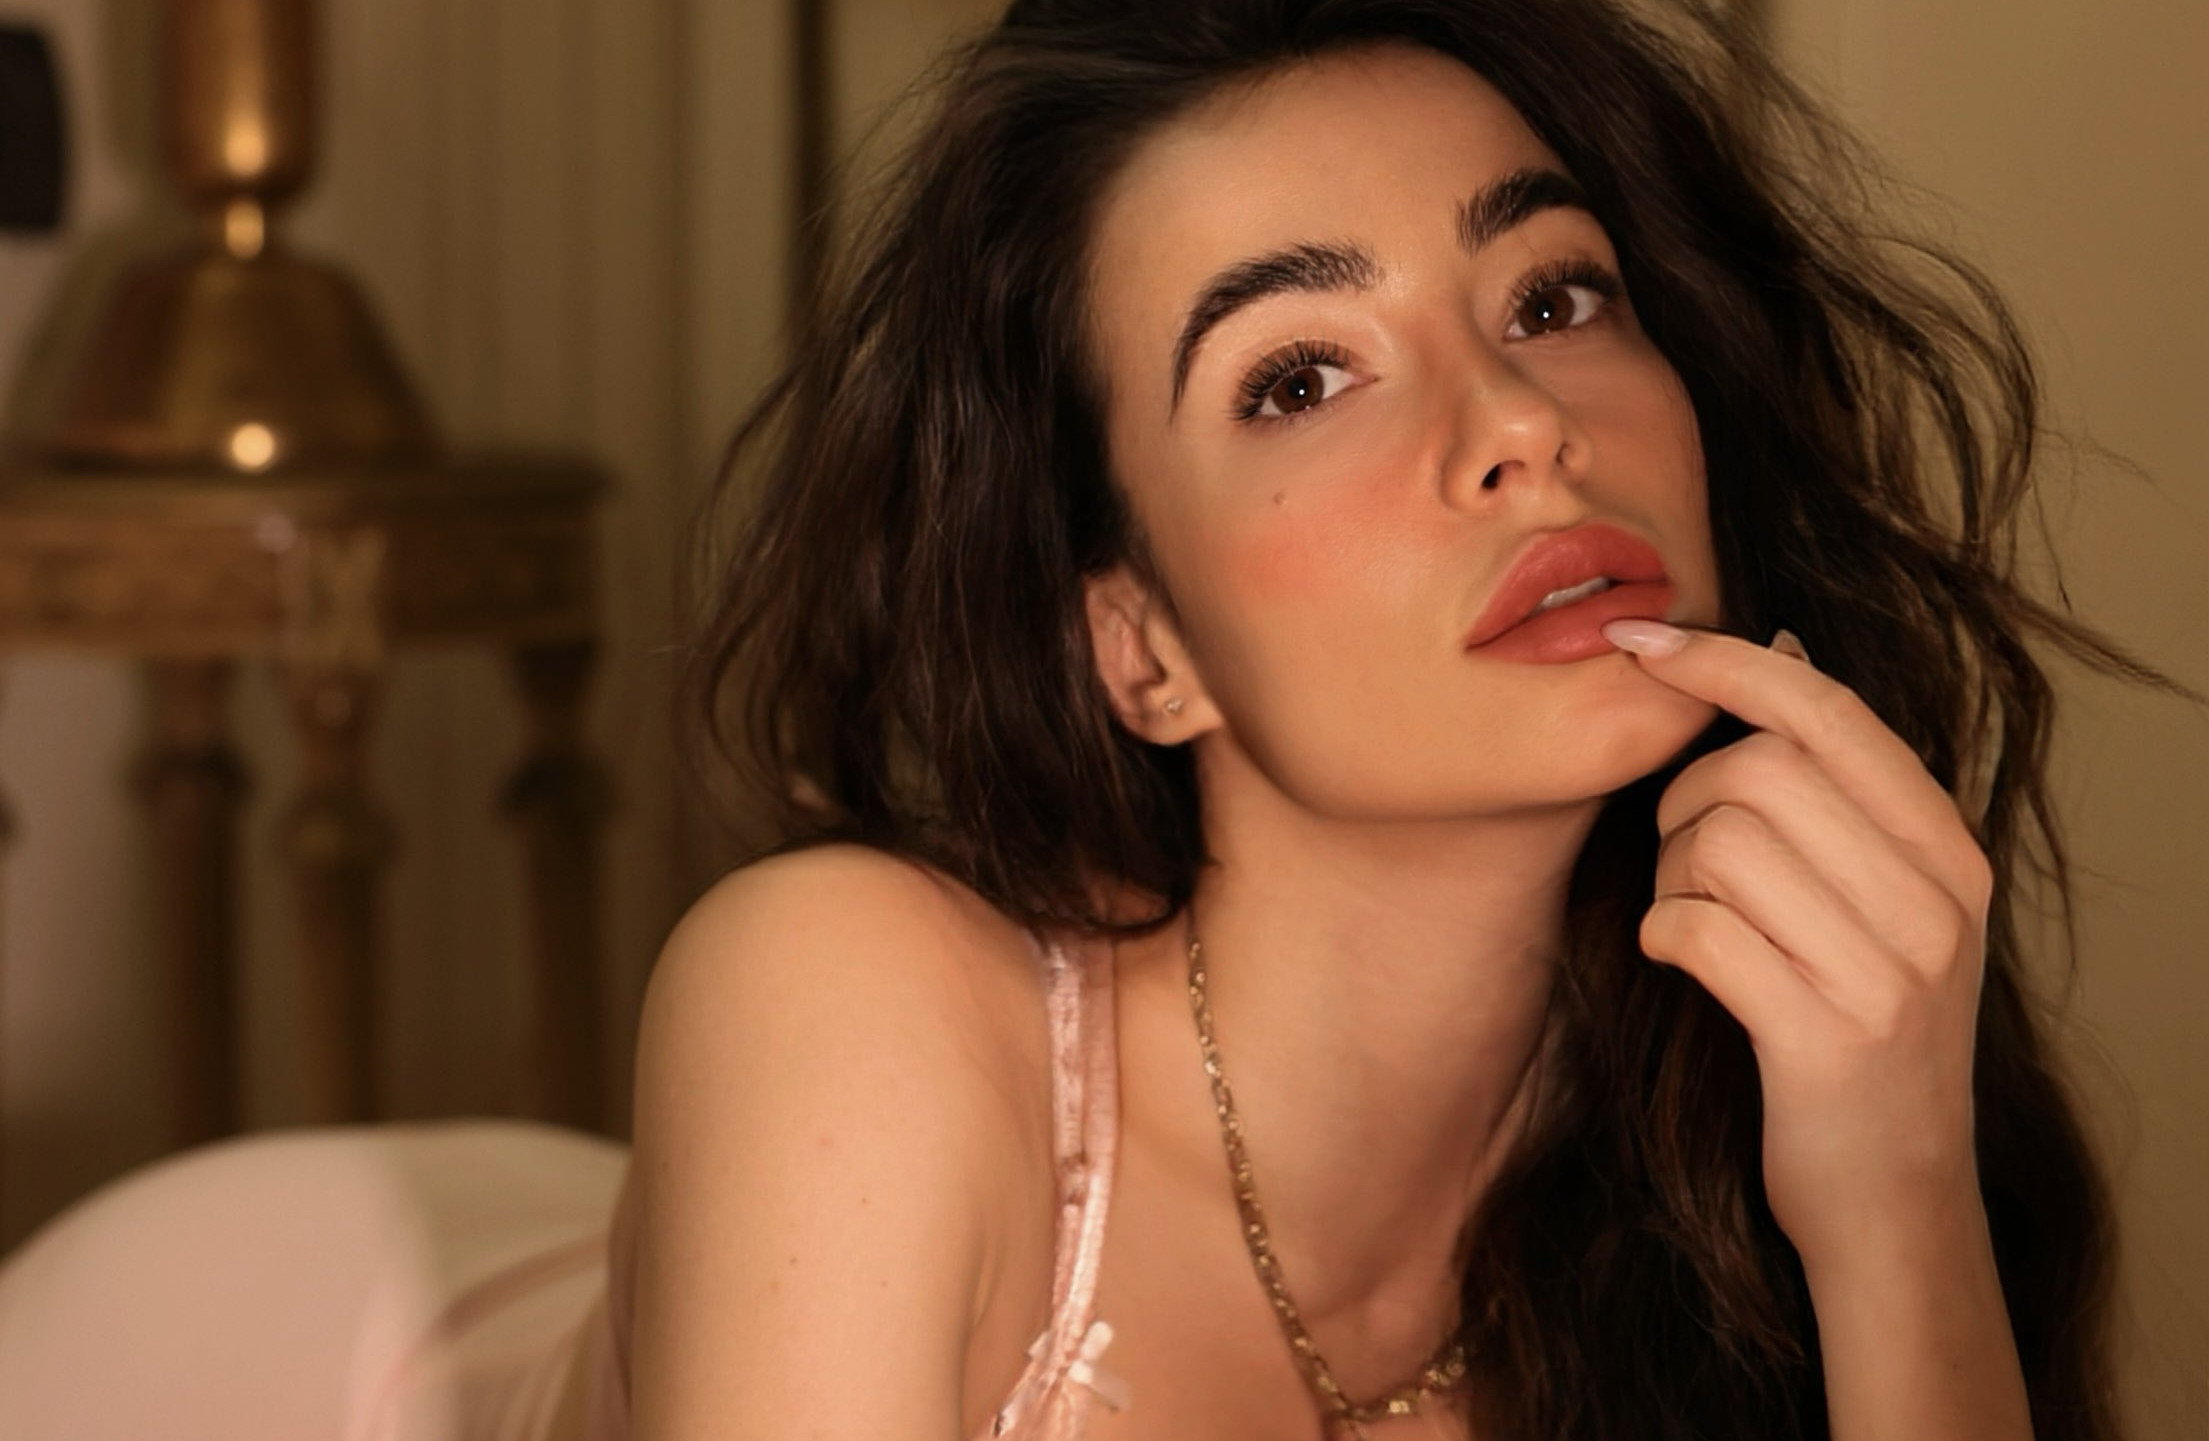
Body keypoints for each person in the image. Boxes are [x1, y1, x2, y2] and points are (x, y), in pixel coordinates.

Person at [578, 1, 2196, 1438]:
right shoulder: (852, 1009)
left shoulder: (1756, 1099)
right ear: (1140, 647)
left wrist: (1895, 1198)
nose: (1520, 421)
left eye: (1552, 297)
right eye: (1298, 379)